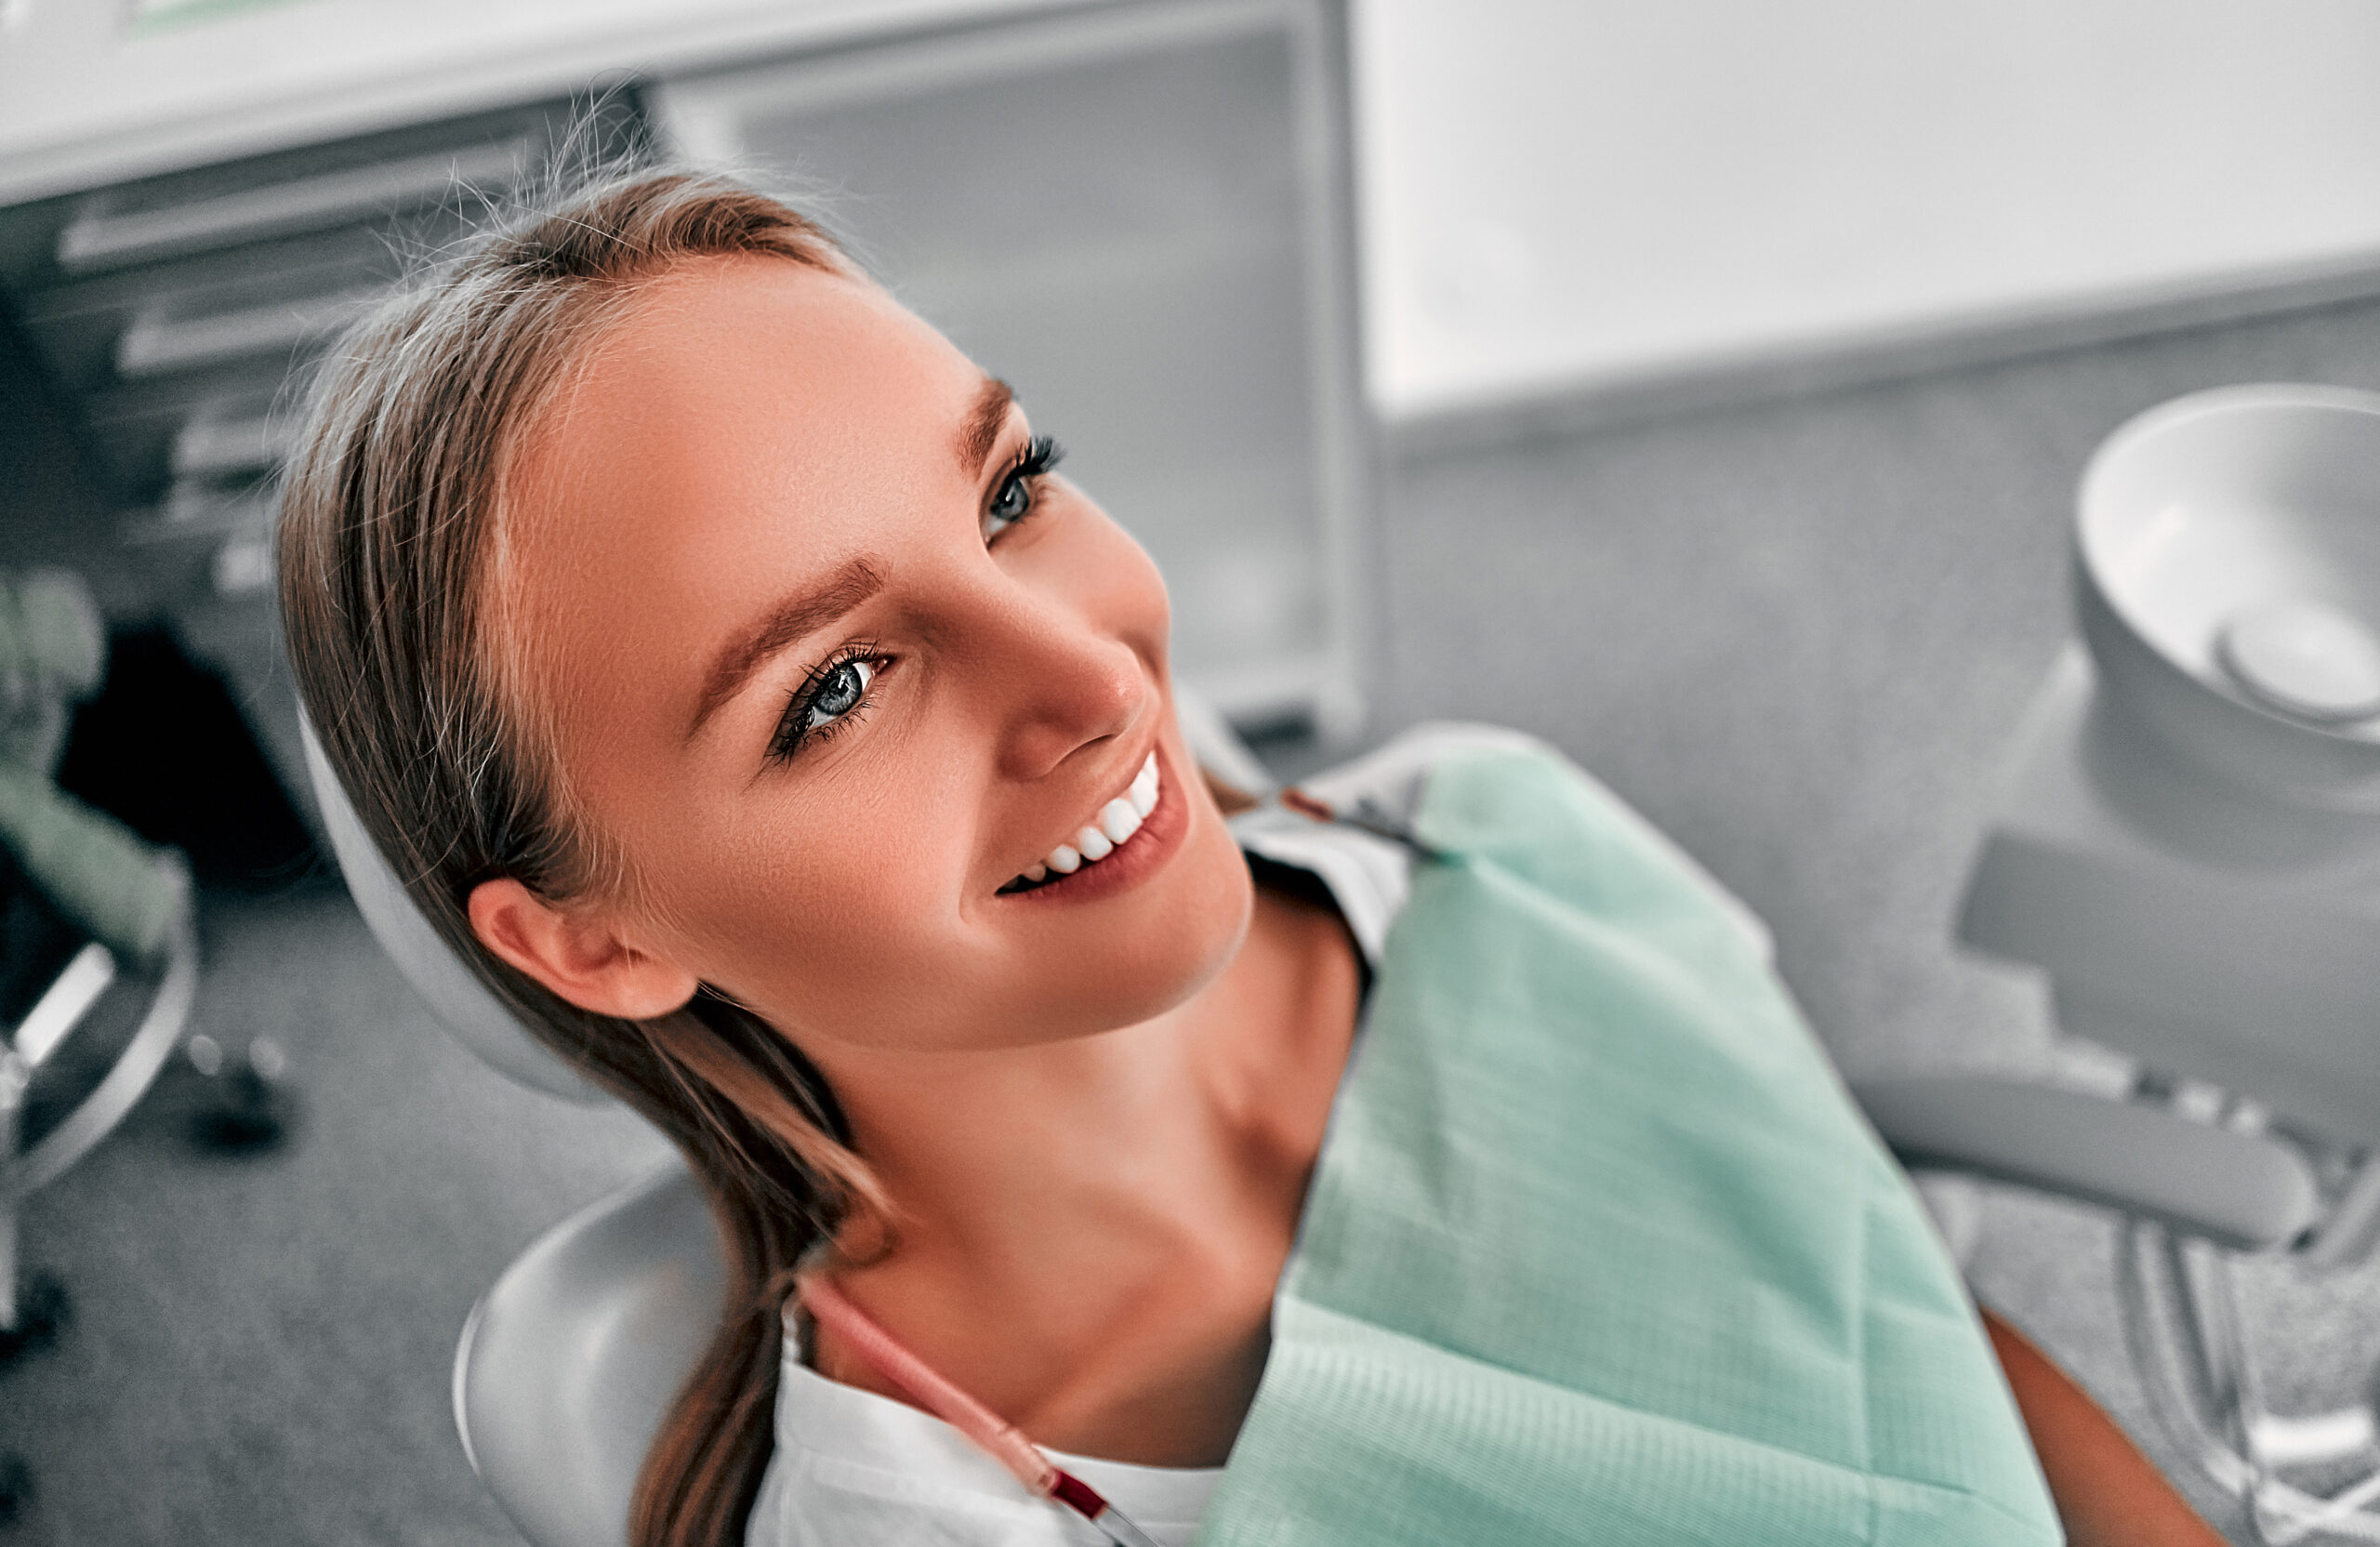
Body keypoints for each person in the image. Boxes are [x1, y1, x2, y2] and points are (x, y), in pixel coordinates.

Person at [278, 169, 2222, 1547]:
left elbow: (1889, 1320)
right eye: (838, 685)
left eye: (1012, 490)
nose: (1093, 676)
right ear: (595, 943)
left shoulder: (1494, 833)